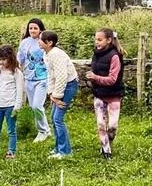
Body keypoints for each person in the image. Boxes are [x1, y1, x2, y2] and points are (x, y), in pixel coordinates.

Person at [85, 27, 125, 160]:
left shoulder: (115, 56)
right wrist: (91, 79)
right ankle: (106, 150)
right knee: (101, 124)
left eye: (99, 39)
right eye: (95, 39)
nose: (96, 42)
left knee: (112, 126)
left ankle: (109, 143)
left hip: (114, 94)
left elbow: (112, 79)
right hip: (99, 94)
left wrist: (95, 77)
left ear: (108, 40)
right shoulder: (95, 54)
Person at [40, 30, 78, 159]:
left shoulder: (56, 55)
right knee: (53, 117)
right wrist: (51, 93)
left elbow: (62, 76)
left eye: (41, 40)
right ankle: (58, 148)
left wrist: (57, 96)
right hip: (60, 87)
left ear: (49, 43)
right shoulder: (47, 54)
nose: (38, 42)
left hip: (68, 85)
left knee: (58, 119)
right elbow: (51, 75)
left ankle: (65, 151)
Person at [18, 18, 51, 143]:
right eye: (30, 28)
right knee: (33, 107)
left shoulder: (44, 42)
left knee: (37, 105)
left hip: (42, 78)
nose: (32, 30)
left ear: (40, 29)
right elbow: (20, 58)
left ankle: (42, 131)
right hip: (28, 78)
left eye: (35, 28)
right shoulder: (24, 42)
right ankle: (46, 129)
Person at [0, 45, 24, 159]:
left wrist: (17, 106)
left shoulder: (16, 72)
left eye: (4, 59)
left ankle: (11, 151)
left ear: (10, 58)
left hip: (10, 105)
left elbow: (20, 90)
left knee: (11, 130)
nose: (1, 62)